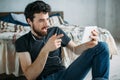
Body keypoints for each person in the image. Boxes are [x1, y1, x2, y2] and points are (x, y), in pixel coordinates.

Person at [15, 1, 110, 80]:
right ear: (29, 21)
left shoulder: (56, 31)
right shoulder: (22, 42)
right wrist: (46, 50)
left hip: (65, 75)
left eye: (47, 19)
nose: (46, 24)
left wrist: (88, 45)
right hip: (44, 78)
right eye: (41, 20)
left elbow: (75, 49)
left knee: (101, 46)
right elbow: (30, 76)